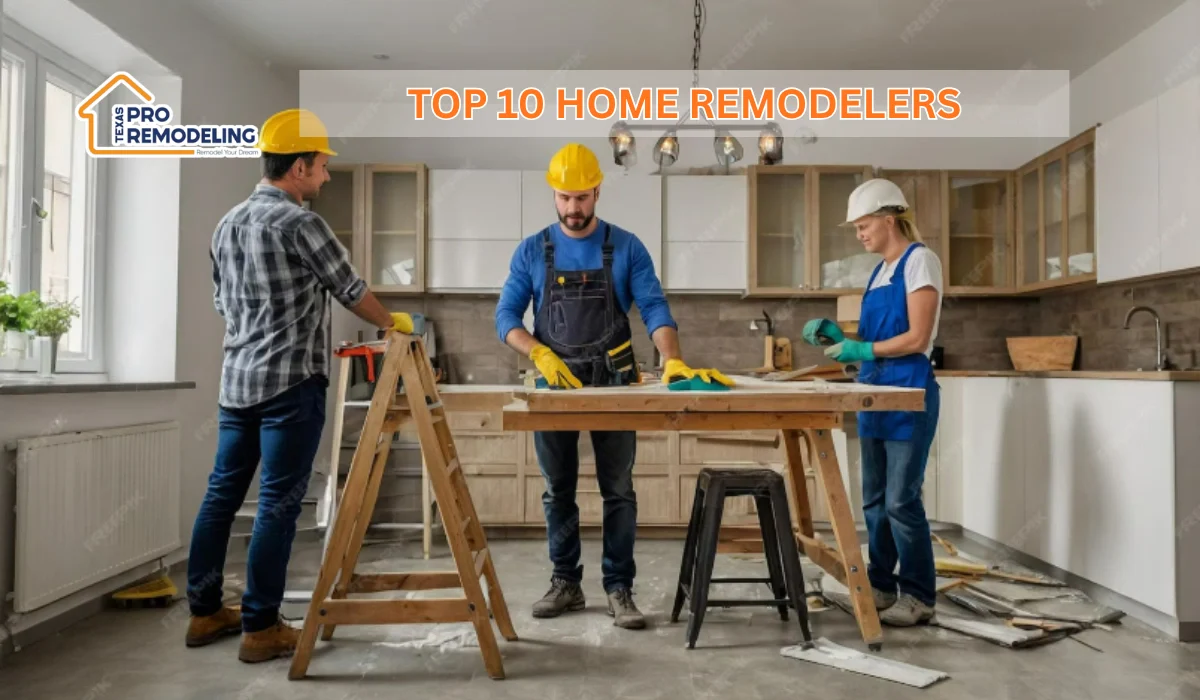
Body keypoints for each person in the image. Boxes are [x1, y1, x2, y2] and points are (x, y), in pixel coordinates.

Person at [185, 108, 413, 663]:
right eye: (321, 165)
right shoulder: (300, 224)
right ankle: (261, 627)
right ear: (298, 166)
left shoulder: (227, 222)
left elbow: (221, 302)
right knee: (278, 505)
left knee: (221, 496)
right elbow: (349, 288)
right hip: (290, 384)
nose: (327, 175)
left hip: (237, 382)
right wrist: (392, 323)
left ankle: (204, 611)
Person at [494, 143, 732, 629]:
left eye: (582, 198)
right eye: (564, 198)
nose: (573, 209)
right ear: (554, 195)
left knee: (618, 491)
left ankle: (619, 588)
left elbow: (655, 308)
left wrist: (672, 360)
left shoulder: (625, 246)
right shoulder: (532, 249)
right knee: (557, 491)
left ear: (598, 191)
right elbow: (504, 317)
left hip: (616, 384)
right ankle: (566, 583)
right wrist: (537, 351)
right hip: (555, 385)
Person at [802, 178, 943, 627]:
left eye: (863, 225)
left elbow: (917, 337)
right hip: (873, 391)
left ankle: (919, 596)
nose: (859, 233)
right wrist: (844, 341)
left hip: (907, 393)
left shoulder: (920, 261)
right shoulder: (879, 271)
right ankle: (881, 587)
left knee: (902, 501)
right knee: (875, 500)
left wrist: (862, 351)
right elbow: (880, 339)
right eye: (856, 227)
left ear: (889, 219)